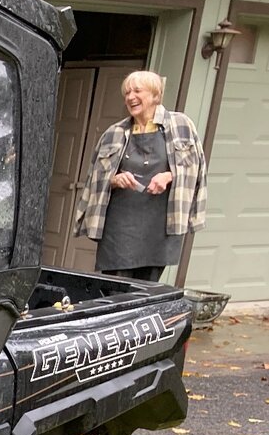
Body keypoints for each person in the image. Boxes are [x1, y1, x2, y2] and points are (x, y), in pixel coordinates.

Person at [74, 70, 206, 282]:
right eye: (127, 92)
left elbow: (195, 169)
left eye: (137, 91)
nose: (130, 97)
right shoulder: (113, 133)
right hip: (120, 228)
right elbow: (94, 179)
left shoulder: (181, 126)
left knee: (145, 291)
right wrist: (114, 180)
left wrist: (169, 176)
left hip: (160, 226)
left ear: (155, 95)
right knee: (115, 290)